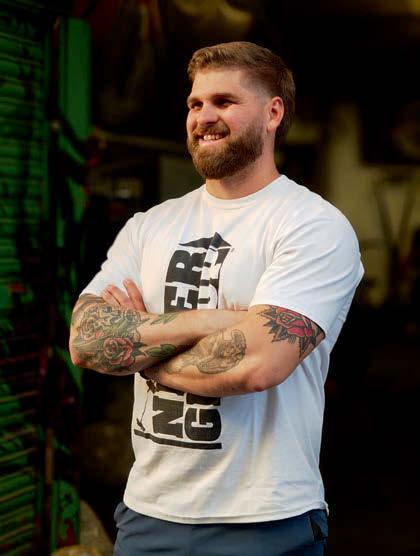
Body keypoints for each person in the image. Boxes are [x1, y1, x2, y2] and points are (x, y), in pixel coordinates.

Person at [69, 41, 364, 556]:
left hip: (261, 521)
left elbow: (257, 363)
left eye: (224, 101)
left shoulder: (312, 226)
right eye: (195, 103)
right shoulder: (149, 226)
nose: (203, 116)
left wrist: (142, 348)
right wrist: (212, 322)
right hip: (147, 516)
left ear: (273, 113)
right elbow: (86, 342)